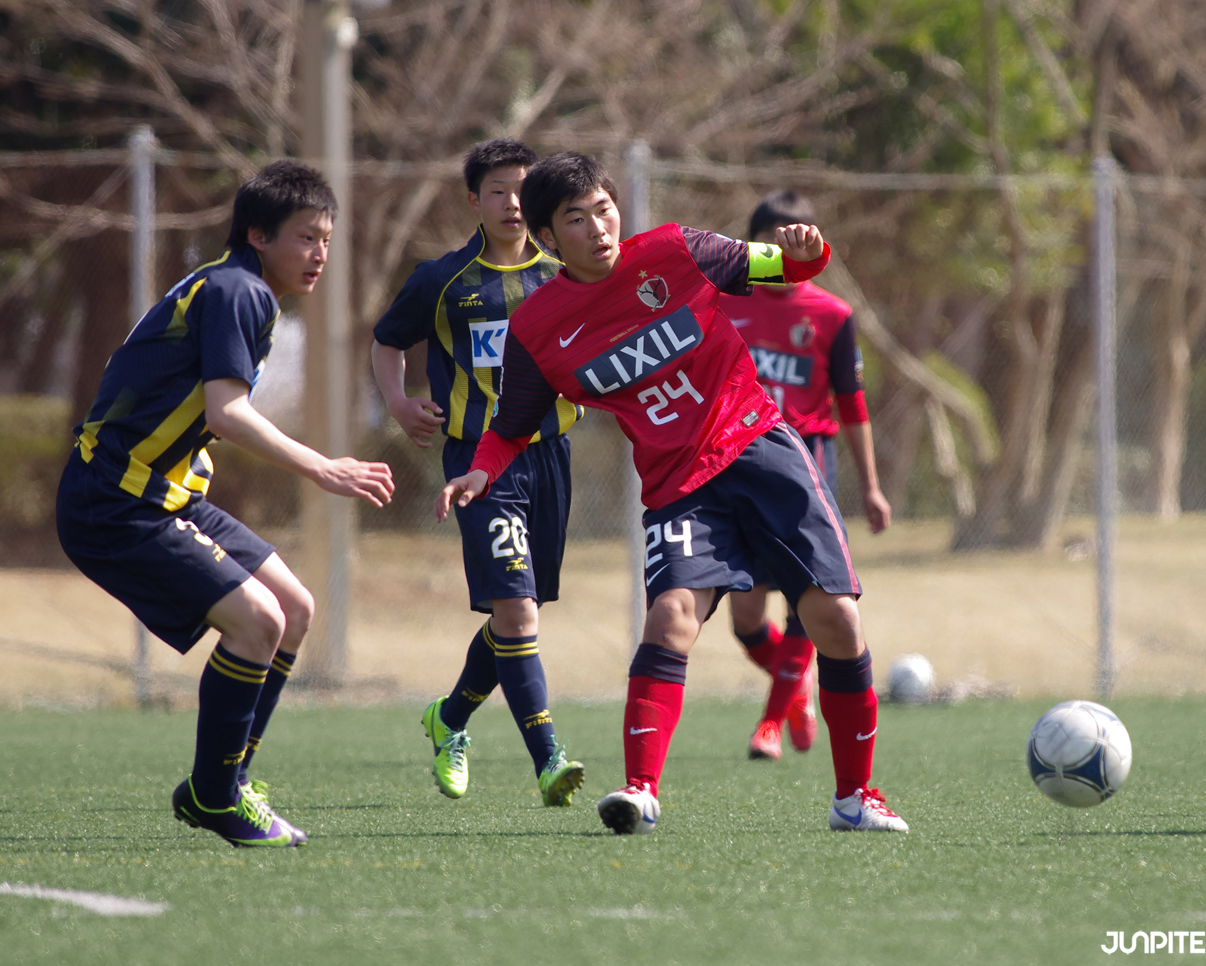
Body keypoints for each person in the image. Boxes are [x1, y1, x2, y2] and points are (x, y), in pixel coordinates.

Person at [438, 152, 908, 836]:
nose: (598, 227)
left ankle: (854, 798)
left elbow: (785, 269)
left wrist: (808, 253)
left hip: (760, 447)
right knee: (670, 621)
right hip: (678, 484)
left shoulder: (678, 251)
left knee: (835, 618)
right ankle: (639, 791)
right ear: (547, 237)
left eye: (604, 209)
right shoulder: (538, 329)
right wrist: (480, 469)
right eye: (576, 218)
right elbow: (510, 425)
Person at [56, 160, 395, 848]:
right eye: (305, 237)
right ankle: (215, 795)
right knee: (257, 622)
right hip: (117, 503)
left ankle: (227, 780)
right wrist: (321, 466)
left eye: (326, 238)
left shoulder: (234, 286)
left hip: (166, 495)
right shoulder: (237, 291)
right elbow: (228, 412)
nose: (319, 253)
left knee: (293, 611)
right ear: (258, 234)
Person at [372, 139, 585, 808]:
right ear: (474, 200)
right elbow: (386, 338)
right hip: (477, 463)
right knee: (517, 615)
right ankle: (548, 760)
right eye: (498, 190)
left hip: (549, 457)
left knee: (516, 616)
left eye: (524, 189)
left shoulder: (563, 274)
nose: (513, 202)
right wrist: (400, 401)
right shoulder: (442, 279)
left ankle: (450, 718)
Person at [719, 189, 892, 762]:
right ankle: (794, 693)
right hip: (736, 464)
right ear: (757, 245)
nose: (790, 247)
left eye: (802, 237)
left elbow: (853, 405)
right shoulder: (724, 302)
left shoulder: (833, 315)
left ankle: (769, 723)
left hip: (804, 467)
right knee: (745, 619)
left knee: (806, 603)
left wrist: (869, 485)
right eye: (778, 238)